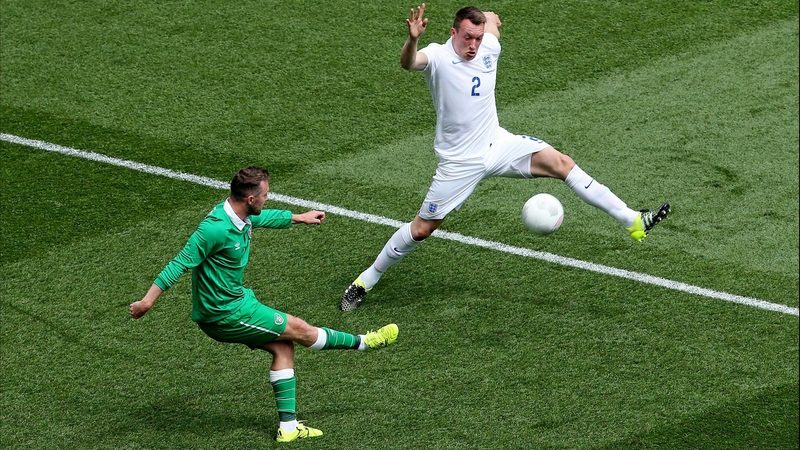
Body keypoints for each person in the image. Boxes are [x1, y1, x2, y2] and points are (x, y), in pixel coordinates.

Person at [340, 4, 670, 311]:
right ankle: (365, 280)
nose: (473, 44)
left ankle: (634, 221)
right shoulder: (438, 56)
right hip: (460, 163)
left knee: (562, 163)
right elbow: (408, 63)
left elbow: (492, 18)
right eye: (467, 37)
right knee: (422, 229)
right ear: (453, 32)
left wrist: (489, 20)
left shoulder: (489, 47)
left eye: (478, 38)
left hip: (499, 144)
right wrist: (412, 40)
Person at [129, 166, 399, 443]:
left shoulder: (238, 215)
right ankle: (365, 342)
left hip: (237, 301)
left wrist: (298, 218)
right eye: (265, 194)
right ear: (250, 199)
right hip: (224, 314)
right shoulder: (214, 229)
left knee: (283, 346)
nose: (267, 198)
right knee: (301, 329)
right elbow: (179, 263)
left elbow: (260, 219)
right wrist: (146, 302)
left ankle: (289, 427)